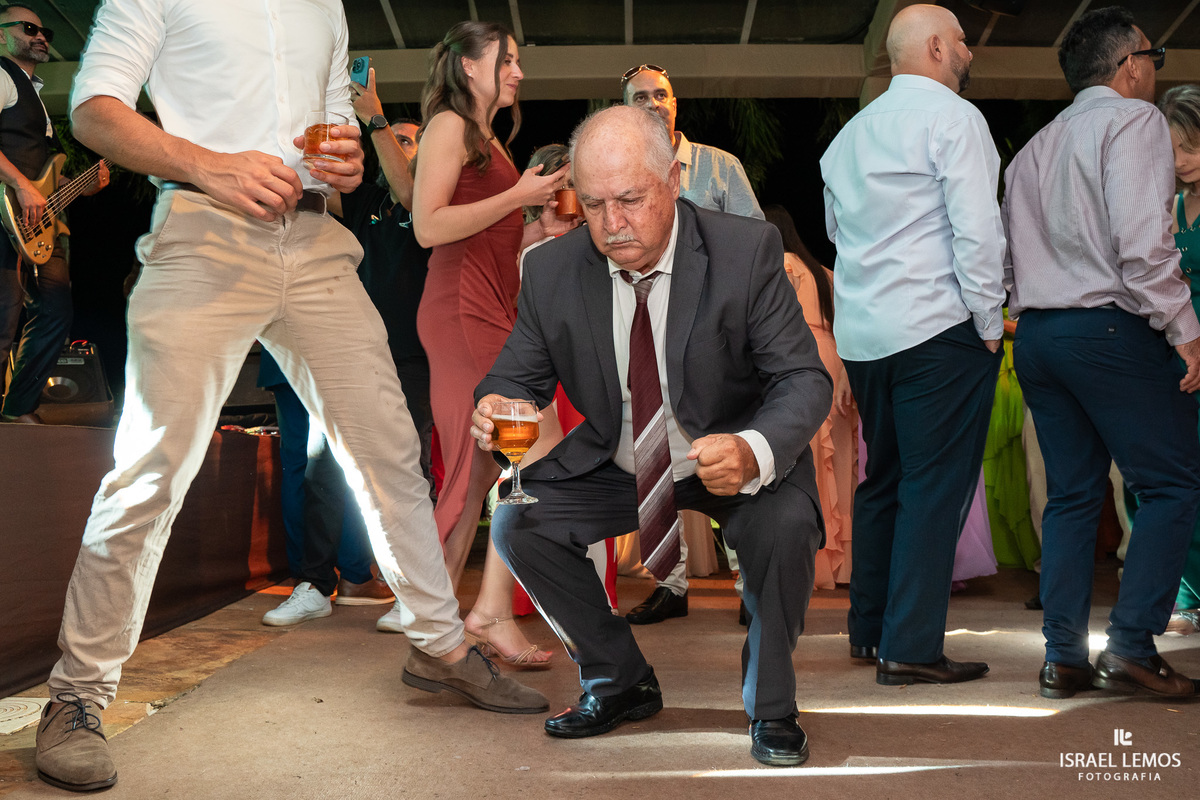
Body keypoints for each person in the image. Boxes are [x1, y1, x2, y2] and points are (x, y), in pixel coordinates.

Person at [34, 2, 548, 793]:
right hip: (205, 230)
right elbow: (94, 111)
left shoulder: (323, 7)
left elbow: (335, 132)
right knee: (149, 471)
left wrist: (343, 162)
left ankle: (439, 646)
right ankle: (75, 697)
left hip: (313, 243)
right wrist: (209, 163)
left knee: (389, 454)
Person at [472, 104, 831, 767]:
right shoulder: (552, 271)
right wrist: (496, 405)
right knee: (519, 522)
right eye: (594, 202)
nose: (611, 225)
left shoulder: (744, 252)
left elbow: (805, 379)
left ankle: (773, 706)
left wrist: (753, 448)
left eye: (631, 200)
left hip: (729, 454)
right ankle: (619, 681)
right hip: (621, 459)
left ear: (672, 180)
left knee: (782, 528)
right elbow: (514, 379)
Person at [1004, 6, 1200, 699]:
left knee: (1072, 497)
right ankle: (1131, 645)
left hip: (1039, 336)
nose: (1153, 70)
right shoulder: (1135, 121)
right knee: (1173, 482)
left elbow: (1007, 260)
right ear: (1130, 65)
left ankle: (1063, 658)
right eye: (1155, 57)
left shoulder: (1035, 146)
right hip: (1109, 332)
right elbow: (1144, 245)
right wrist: (1186, 328)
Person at [819, 3, 1004, 685]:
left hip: (868, 337)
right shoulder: (954, 120)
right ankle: (912, 648)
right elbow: (978, 232)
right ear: (932, 47)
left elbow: (840, 237)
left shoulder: (848, 138)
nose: (969, 52)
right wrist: (989, 323)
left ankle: (870, 632)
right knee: (934, 486)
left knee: (883, 481)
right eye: (960, 40)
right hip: (937, 329)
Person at [412, 21, 576, 668]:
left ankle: (439, 616)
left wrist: (539, 227)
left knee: (482, 467)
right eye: (507, 59)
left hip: (489, 308)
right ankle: (483, 612)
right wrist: (521, 194)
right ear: (469, 67)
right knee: (540, 444)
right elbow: (428, 227)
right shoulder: (450, 124)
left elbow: (491, 242)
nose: (518, 71)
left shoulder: (487, 140)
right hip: (459, 311)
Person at [262, 68, 434, 631]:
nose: (400, 147)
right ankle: (314, 584)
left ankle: (415, 592)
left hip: (410, 355)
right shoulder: (365, 203)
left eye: (412, 140)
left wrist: (378, 118)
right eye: (397, 138)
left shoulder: (428, 206)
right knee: (321, 470)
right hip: (342, 351)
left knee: (406, 471)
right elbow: (315, 195)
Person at [620, 62, 764, 625]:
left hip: (716, 341)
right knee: (654, 462)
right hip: (641, 336)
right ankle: (671, 584)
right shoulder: (616, 173)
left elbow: (757, 248)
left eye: (662, 94)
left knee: (727, 460)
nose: (653, 102)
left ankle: (749, 584)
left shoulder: (719, 167)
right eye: (640, 97)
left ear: (675, 104)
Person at [0, 3, 108, 424]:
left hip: (37, 226)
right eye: (29, 28)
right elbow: (26, 180)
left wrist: (77, 186)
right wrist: (23, 186)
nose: (41, 35)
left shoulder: (35, 93)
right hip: (5, 217)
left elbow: (42, 173)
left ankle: (16, 409)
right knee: (4, 315)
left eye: (45, 31)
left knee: (56, 311)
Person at [765, 204, 856, 590]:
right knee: (840, 459)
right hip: (836, 357)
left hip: (800, 356)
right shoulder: (823, 273)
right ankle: (844, 566)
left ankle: (810, 562)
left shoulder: (779, 267)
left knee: (807, 464)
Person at [1160, 83, 1200, 637]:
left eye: (1191, 146)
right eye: (1171, 150)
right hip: (1176, 353)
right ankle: (1188, 593)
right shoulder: (1170, 205)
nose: (1182, 160)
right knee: (1178, 475)